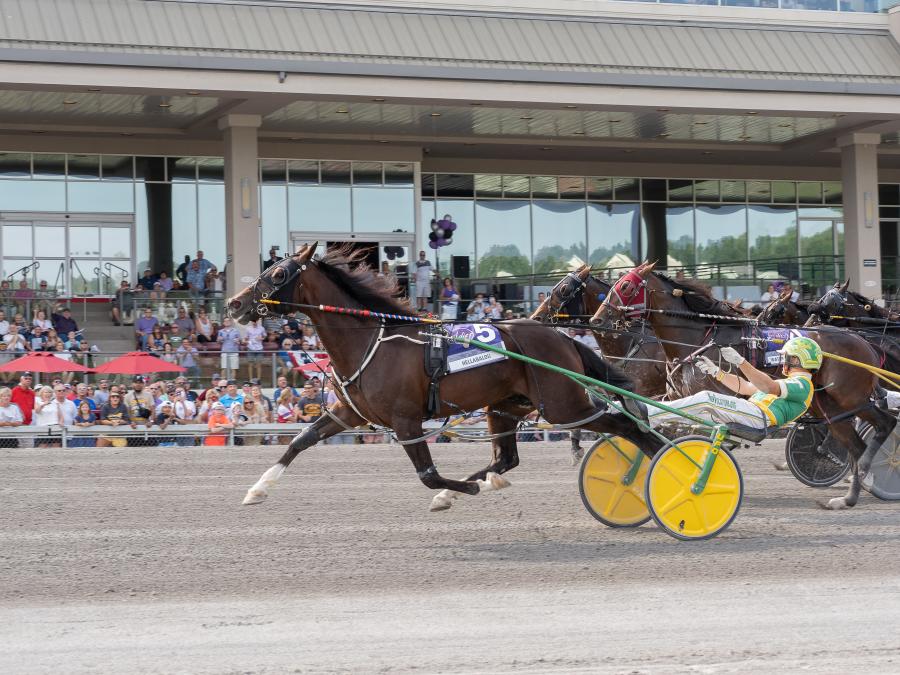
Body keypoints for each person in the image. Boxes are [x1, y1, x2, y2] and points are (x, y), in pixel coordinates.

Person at [647, 337, 820, 432]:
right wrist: (716, 372)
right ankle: (647, 411)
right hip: (750, 412)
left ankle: (648, 415)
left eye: (786, 356)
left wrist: (741, 362)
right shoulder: (789, 383)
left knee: (706, 399)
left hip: (758, 417)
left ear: (797, 359)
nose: (783, 361)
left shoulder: (803, 385)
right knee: (691, 415)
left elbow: (769, 387)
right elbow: (744, 387)